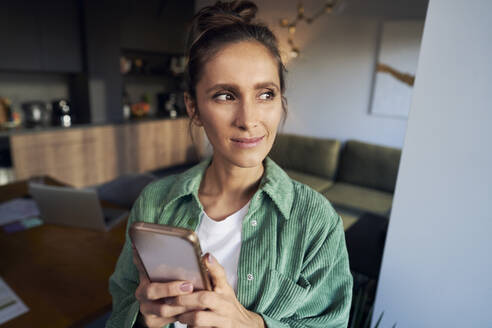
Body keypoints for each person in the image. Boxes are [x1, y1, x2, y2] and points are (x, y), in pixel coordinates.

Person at [106, 1, 352, 327]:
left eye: (265, 94)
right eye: (225, 95)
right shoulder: (155, 202)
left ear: (281, 103)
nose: (249, 120)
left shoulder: (316, 221)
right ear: (193, 108)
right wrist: (142, 320)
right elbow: (120, 308)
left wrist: (248, 324)